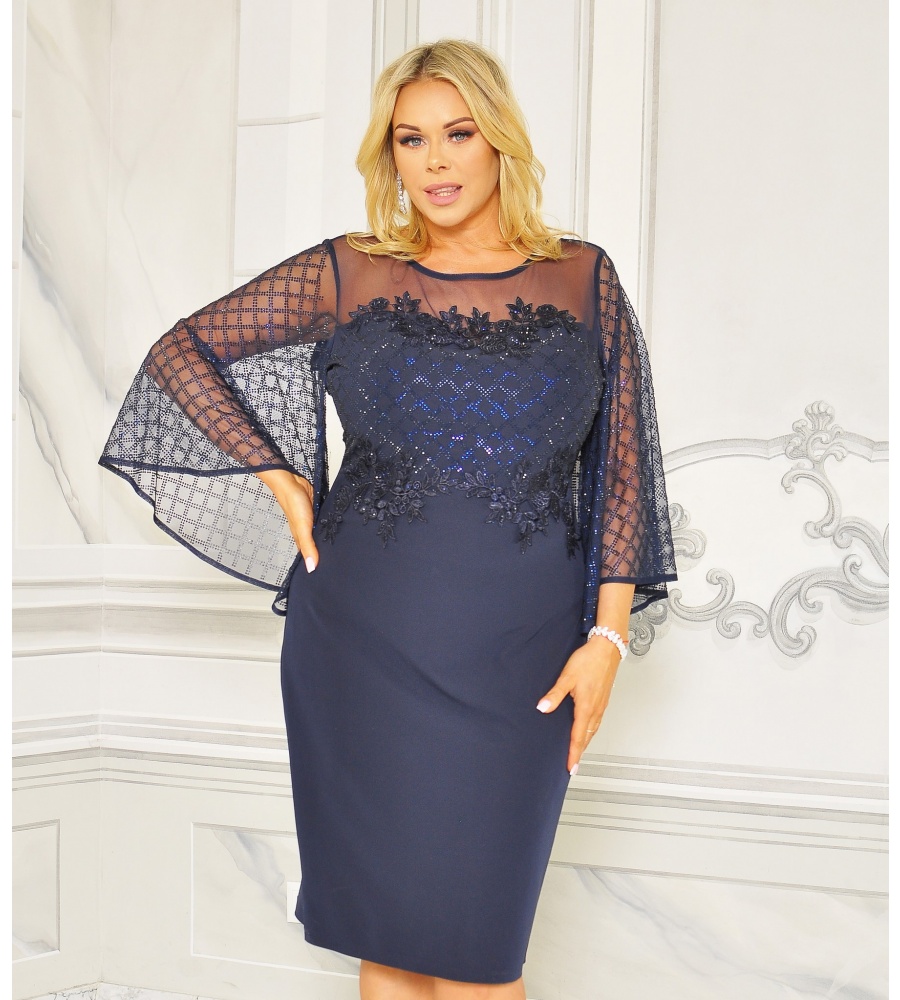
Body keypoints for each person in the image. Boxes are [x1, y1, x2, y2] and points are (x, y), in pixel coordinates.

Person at [100, 37, 676, 1000]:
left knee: (481, 962)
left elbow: (622, 465)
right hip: (362, 644)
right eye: (412, 140)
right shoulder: (351, 271)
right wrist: (282, 476)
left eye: (459, 134)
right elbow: (180, 354)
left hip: (522, 658)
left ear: (499, 142)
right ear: (389, 155)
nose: (436, 161)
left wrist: (608, 640)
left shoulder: (583, 277)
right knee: (391, 945)